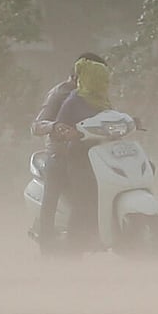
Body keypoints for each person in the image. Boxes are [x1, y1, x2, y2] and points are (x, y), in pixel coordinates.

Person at [29, 53, 102, 251]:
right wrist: (55, 127)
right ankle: (47, 241)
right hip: (60, 152)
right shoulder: (60, 94)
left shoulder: (94, 94)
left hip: (89, 152)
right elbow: (36, 126)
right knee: (54, 183)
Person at [53, 53, 113, 249]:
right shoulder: (72, 101)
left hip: (102, 154)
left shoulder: (102, 101)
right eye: (101, 78)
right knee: (85, 195)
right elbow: (59, 129)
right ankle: (75, 244)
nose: (105, 82)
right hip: (79, 157)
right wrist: (68, 133)